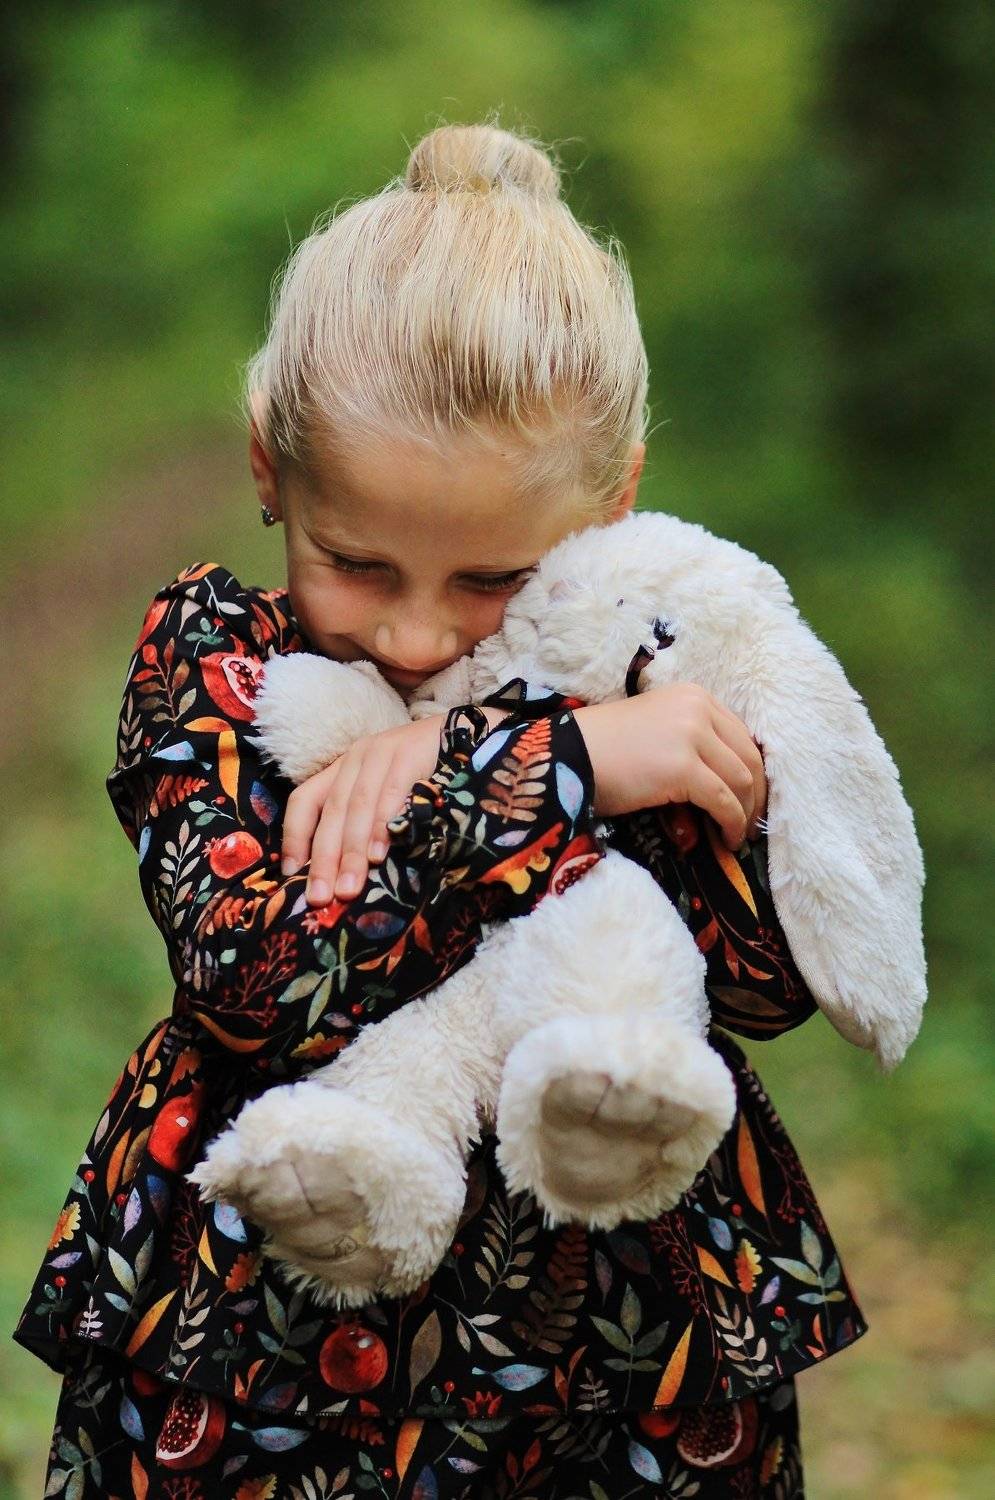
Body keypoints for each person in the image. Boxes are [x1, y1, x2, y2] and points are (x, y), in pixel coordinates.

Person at [16, 122, 868, 1498]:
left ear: (616, 501)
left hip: (620, 1356)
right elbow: (254, 981)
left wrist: (600, 744)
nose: (413, 637)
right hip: (258, 1353)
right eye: (355, 563)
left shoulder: (648, 670)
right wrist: (553, 766)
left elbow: (766, 984)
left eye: (489, 580)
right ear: (269, 467)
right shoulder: (219, 665)